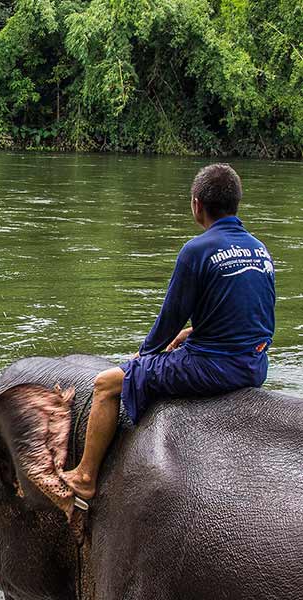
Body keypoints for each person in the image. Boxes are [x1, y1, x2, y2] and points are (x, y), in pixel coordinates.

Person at [61, 164, 276, 508]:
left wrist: (142, 356)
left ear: (196, 205)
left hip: (215, 369)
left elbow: (168, 319)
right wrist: (193, 333)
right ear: (237, 204)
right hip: (255, 364)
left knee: (105, 384)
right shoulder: (259, 250)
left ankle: (84, 477)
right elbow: (257, 317)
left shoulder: (197, 250)